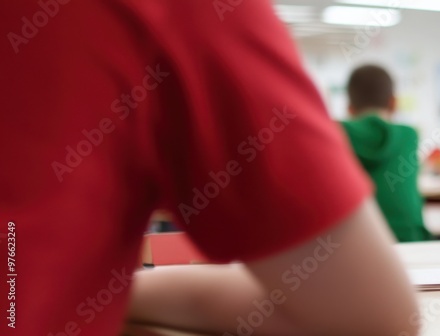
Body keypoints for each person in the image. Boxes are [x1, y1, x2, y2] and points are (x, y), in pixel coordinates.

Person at [0, 1, 418, 335]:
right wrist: (114, 289)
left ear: (348, 104)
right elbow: (374, 314)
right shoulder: (189, 14)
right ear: (394, 103)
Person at [341, 65, 432, 242]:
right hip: (411, 240)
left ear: (350, 108)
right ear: (393, 103)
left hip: (355, 244)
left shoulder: (337, 133)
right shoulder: (409, 135)